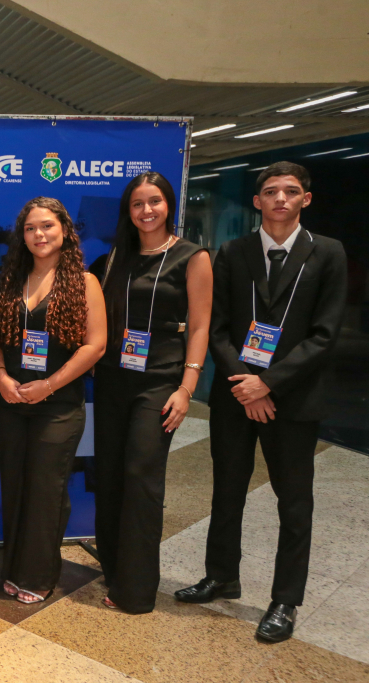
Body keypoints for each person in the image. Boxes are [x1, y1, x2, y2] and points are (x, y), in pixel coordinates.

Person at [175, 162, 347, 643]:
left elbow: (325, 335)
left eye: (291, 191)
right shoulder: (234, 252)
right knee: (226, 490)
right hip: (236, 395)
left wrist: (267, 384)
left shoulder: (327, 253)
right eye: (271, 191)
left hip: (293, 400)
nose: (280, 199)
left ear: (306, 199)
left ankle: (285, 600)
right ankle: (220, 576)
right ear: (257, 201)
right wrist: (245, 385)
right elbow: (218, 328)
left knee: (294, 502)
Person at [93, 172, 212, 614]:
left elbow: (199, 326)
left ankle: (137, 591)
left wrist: (187, 388)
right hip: (111, 380)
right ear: (128, 211)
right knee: (108, 477)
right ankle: (114, 570)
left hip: (159, 382)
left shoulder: (192, 257)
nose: (147, 211)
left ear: (169, 205)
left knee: (142, 478)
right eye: (138, 203)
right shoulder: (112, 259)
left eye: (155, 201)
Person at [0, 197, 106, 604]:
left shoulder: (85, 283)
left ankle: (38, 577)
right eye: (31, 228)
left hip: (58, 406)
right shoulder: (11, 280)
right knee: (15, 487)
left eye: (47, 226)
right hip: (11, 402)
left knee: (46, 491)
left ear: (65, 231)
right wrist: (1, 376)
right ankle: (14, 569)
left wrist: (49, 385)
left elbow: (95, 345)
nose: (39, 234)